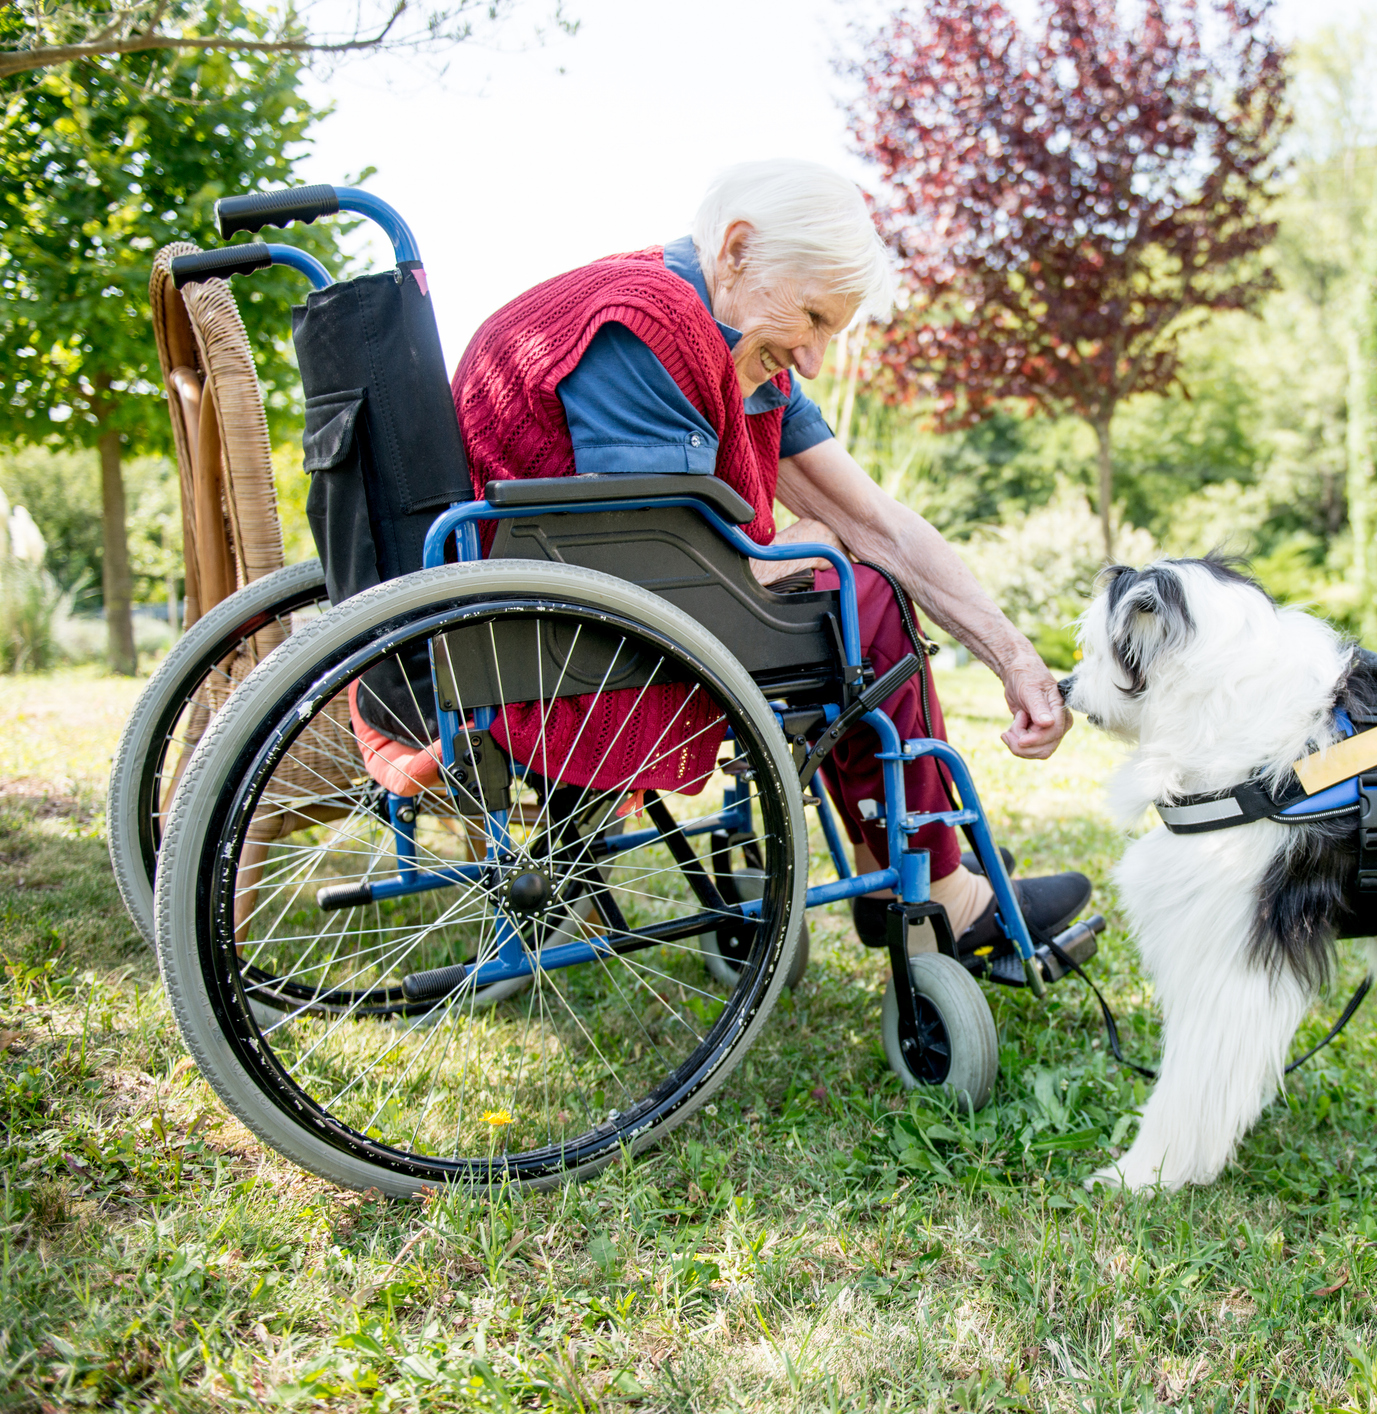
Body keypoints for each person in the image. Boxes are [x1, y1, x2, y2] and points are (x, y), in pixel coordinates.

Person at [450, 158, 1089, 959]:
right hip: (572, 656)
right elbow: (666, 575)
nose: (817, 358)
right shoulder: (643, 325)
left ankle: (908, 880)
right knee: (862, 600)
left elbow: (879, 522)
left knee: (857, 572)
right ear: (738, 249)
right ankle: (934, 895)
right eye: (815, 319)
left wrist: (1013, 657)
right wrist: (813, 541)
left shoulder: (732, 339)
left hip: (568, 628)